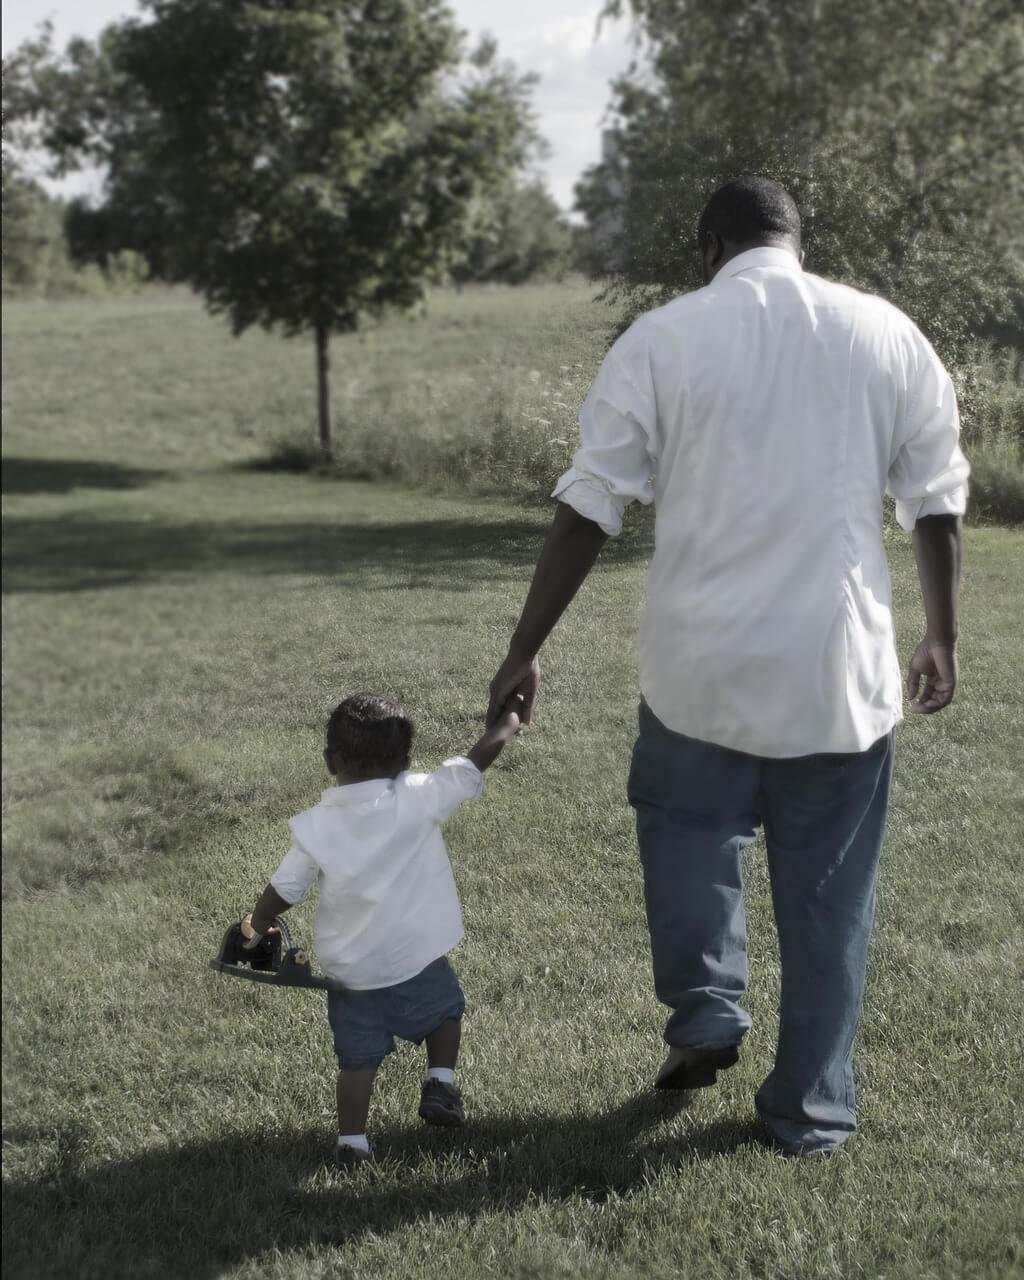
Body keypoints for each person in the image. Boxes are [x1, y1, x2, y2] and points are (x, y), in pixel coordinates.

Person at [486, 175, 969, 1156]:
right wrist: (940, 634)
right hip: (838, 677)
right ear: (798, 238)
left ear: (708, 246)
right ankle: (810, 1110)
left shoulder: (661, 339)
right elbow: (937, 496)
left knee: (686, 836)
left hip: (695, 667)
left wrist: (523, 646)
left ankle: (706, 1007)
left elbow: (590, 501)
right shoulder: (885, 332)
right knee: (831, 902)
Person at [246, 689, 523, 1170]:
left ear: (330, 761)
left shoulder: (318, 826)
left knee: (358, 1061)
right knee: (446, 1013)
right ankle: (440, 1081)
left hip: (351, 975)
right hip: (416, 957)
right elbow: (471, 765)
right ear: (405, 761)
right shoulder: (418, 798)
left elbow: (287, 887)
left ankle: (352, 1144)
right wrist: (508, 722)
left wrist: (260, 920)